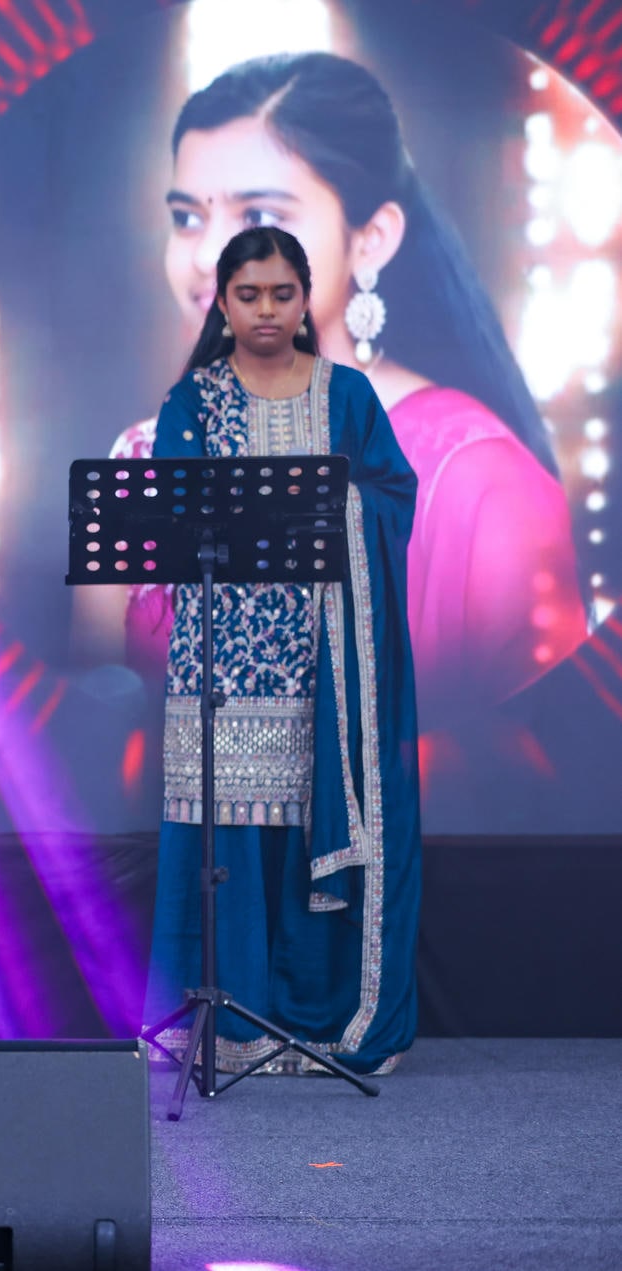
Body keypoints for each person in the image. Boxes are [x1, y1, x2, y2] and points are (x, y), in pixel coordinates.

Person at [76, 52, 581, 714]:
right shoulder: (139, 467)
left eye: (259, 217)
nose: (205, 256)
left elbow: (538, 761)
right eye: (188, 217)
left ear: (371, 239)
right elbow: (91, 757)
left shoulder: (474, 482)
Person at [141, 226, 421, 1076]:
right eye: (249, 294)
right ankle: (228, 1023)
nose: (266, 310)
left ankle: (318, 1016)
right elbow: (171, 518)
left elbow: (391, 494)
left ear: (307, 299)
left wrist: (340, 504)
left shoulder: (347, 396)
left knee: (305, 830)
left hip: (324, 665)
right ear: (222, 303)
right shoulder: (193, 402)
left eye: (282, 293)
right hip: (218, 661)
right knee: (223, 841)